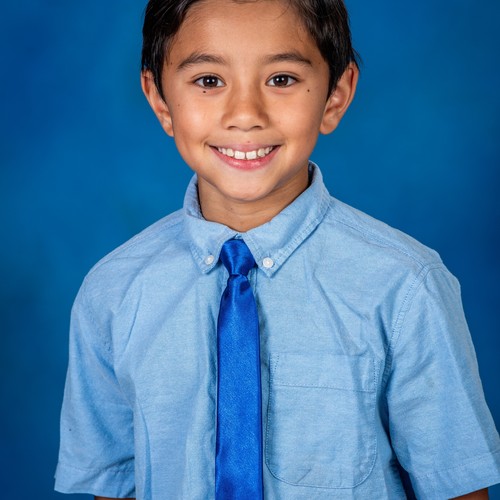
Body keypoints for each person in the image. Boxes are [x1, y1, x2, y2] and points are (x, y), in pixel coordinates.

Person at [55, 0, 500, 498]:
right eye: (209, 81)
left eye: (281, 79)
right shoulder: (112, 293)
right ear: (160, 100)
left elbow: (458, 489)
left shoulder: (405, 288)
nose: (245, 115)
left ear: (335, 96)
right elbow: (114, 485)